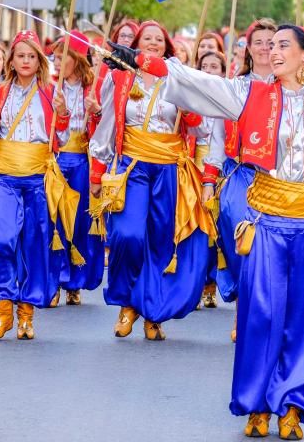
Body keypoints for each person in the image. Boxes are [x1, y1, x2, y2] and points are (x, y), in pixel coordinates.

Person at [113, 24, 304, 441]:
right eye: (270, 46)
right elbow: (198, 83)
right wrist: (144, 61)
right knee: (261, 313)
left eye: (283, 46)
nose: (273, 52)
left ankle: (293, 403)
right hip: (267, 219)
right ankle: (257, 403)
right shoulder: (251, 94)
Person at [89, 21, 214, 342]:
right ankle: (126, 302)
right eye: (148, 38)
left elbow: (202, 132)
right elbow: (106, 126)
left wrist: (192, 116)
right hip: (132, 165)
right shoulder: (120, 77)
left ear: (167, 46)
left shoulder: (179, 79)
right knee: (128, 235)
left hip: (169, 169)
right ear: (137, 44)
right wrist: (97, 172)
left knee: (160, 242)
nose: (154, 42)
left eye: (160, 38)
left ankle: (151, 312)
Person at [0, 30, 80, 340]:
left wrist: (62, 115)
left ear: (39, 60)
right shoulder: (0, 92)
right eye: (21, 55)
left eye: (32, 56)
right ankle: (2, 310)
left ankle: (26, 316)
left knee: (33, 246)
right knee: (1, 240)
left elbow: (58, 141)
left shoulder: (50, 92)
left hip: (36, 178)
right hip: (4, 176)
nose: (27, 60)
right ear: (12, 60)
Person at [202, 19, 277, 336]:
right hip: (238, 173)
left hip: (276, 178)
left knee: (270, 247)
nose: (264, 48)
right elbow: (217, 136)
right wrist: (209, 180)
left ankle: (265, 312)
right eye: (258, 41)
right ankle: (243, 308)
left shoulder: (290, 87)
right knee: (238, 239)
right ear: (248, 47)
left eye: (271, 42)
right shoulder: (234, 86)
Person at [50, 31, 104, 306]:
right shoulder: (50, 87)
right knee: (55, 221)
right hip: (55, 161)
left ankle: (75, 282)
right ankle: (54, 279)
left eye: (62, 58)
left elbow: (106, 127)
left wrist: (96, 113)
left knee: (81, 221)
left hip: (82, 161)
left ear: (77, 59)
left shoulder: (93, 88)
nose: (56, 63)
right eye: (55, 58)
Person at [194, 50, 227, 309]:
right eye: (203, 66)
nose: (208, 70)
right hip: (193, 164)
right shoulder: (189, 98)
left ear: (223, 71)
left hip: (221, 167)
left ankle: (211, 284)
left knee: (216, 229)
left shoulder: (229, 98)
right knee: (194, 227)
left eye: (214, 66)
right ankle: (194, 283)